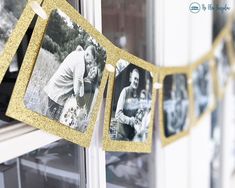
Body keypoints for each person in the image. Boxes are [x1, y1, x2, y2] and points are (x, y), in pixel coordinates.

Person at [44, 45, 97, 121]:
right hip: (57, 95)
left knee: (51, 119)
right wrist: (82, 107)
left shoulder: (80, 54)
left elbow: (79, 48)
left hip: (54, 90)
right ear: (87, 54)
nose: (89, 64)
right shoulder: (80, 64)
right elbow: (77, 90)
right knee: (52, 122)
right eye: (89, 62)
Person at [115, 68, 140, 141]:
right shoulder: (125, 91)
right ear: (130, 78)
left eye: (137, 80)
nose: (136, 81)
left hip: (131, 137)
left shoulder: (137, 97)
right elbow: (118, 115)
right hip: (121, 136)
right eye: (135, 78)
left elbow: (136, 116)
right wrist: (130, 121)